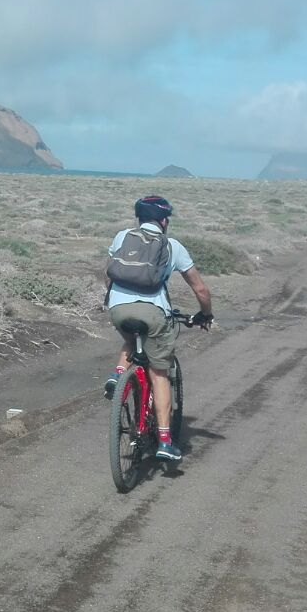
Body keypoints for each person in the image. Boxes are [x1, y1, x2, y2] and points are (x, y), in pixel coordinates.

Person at [101, 195, 213, 461]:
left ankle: (118, 377)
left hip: (118, 309)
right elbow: (200, 288)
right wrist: (205, 314)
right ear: (164, 221)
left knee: (130, 338)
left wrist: (116, 299)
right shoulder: (173, 246)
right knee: (159, 374)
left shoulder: (122, 237)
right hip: (153, 314)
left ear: (139, 219)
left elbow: (109, 273)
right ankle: (164, 440)